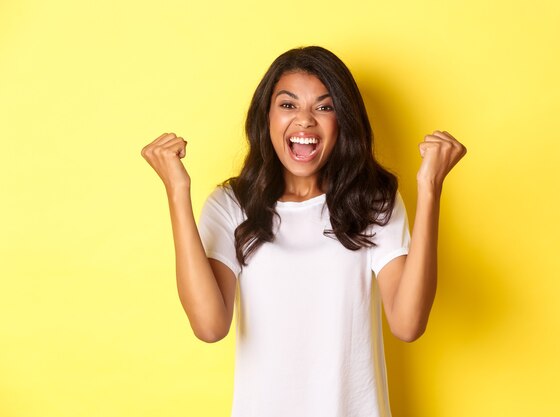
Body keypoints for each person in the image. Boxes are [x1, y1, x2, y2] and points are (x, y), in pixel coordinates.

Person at [141, 46, 466, 417]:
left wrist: (430, 188)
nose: (305, 121)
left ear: (343, 120)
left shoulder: (372, 201)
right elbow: (209, 326)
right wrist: (176, 192)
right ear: (267, 117)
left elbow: (408, 324)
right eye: (288, 105)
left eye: (324, 107)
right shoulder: (232, 206)